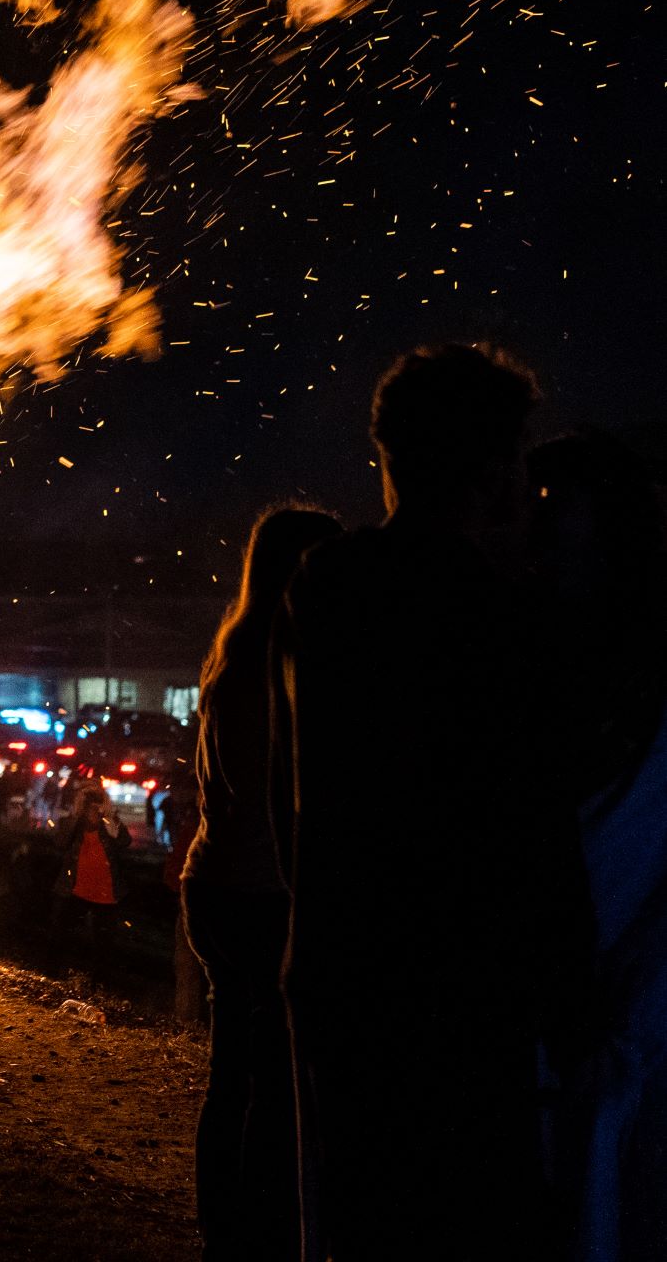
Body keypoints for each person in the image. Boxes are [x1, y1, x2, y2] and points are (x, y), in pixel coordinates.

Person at [272, 345, 594, 1258]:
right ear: (495, 467)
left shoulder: (321, 585)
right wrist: (571, 995)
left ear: (389, 459)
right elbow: (531, 817)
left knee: (359, 1222)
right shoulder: (495, 615)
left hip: (338, 964)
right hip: (457, 990)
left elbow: (285, 795)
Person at [179, 505, 341, 1262]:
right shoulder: (268, 673)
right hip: (256, 892)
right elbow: (270, 797)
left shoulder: (231, 659)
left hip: (215, 883)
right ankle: (255, 1231)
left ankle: (227, 1224)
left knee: (236, 1066)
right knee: (269, 1075)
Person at [528, 431, 667, 1262]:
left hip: (637, 989)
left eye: (554, 507)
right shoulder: (535, 643)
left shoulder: (630, 658)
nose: (534, 527)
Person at [50, 779, 128, 978]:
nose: (94, 813)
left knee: (103, 945)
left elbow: (124, 842)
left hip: (105, 894)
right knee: (62, 935)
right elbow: (60, 842)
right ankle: (58, 973)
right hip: (75, 891)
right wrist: (76, 816)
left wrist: (112, 821)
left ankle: (98, 983)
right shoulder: (75, 825)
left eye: (97, 807)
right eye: (89, 808)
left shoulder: (108, 824)